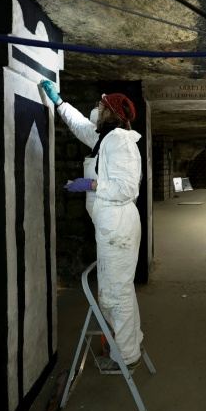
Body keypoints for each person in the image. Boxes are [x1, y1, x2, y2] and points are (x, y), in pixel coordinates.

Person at [40, 79, 144, 372]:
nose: (94, 110)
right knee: (121, 289)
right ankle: (132, 344)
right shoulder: (104, 138)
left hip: (118, 226)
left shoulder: (119, 141)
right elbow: (80, 126)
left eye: (99, 106)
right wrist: (58, 102)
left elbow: (126, 188)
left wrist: (92, 184)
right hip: (113, 226)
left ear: (109, 111)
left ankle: (126, 356)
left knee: (114, 294)